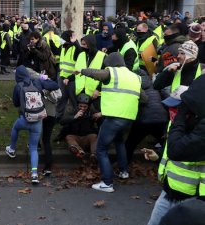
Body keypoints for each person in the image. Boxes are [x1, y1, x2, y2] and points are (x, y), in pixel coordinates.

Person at [79, 52, 142, 192]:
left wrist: (82, 71)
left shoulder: (112, 72)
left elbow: (98, 74)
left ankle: (107, 183)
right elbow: (143, 98)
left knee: (101, 149)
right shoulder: (135, 77)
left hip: (114, 117)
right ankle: (123, 171)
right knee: (119, 142)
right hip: (129, 118)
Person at [148, 75, 205, 225]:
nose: (172, 111)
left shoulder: (196, 129)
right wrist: (158, 156)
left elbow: (181, 149)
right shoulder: (175, 125)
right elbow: (171, 151)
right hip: (168, 192)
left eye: (176, 107)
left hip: (192, 199)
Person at [5, 65, 58, 184]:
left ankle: (12, 149)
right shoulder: (38, 82)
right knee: (33, 148)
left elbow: (15, 103)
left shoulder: (18, 86)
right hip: (38, 121)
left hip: (24, 119)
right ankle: (34, 174)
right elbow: (55, 85)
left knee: (15, 128)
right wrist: (43, 78)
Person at [60, 93, 99, 159]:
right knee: (69, 137)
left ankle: (94, 155)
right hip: (75, 137)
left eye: (85, 107)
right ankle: (79, 151)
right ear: (77, 105)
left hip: (87, 137)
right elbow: (62, 121)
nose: (82, 108)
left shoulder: (91, 111)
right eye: (80, 106)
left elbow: (101, 120)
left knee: (94, 136)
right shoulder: (73, 111)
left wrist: (100, 114)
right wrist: (74, 117)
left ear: (88, 106)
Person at [55, 30, 82, 119]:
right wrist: (62, 77)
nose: (61, 40)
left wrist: (76, 42)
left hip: (72, 79)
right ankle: (58, 116)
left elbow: (81, 52)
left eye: (62, 39)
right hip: (62, 78)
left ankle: (78, 117)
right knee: (61, 98)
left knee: (74, 99)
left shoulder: (75, 48)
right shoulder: (63, 47)